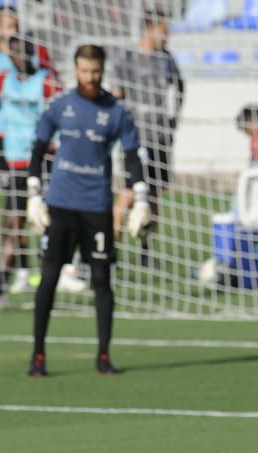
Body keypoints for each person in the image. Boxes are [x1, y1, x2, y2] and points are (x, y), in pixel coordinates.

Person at [25, 45, 149, 377]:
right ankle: (38, 355)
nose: (90, 78)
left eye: (95, 72)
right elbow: (37, 148)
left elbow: (133, 155)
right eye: (84, 71)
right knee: (49, 277)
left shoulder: (116, 112)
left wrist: (141, 196)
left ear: (102, 71)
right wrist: (34, 192)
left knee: (101, 279)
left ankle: (104, 356)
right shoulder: (61, 106)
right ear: (75, 70)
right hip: (61, 204)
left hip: (96, 207)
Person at [0, 5, 66, 293]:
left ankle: (58, 266)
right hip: (9, 145)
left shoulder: (41, 69)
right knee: (15, 209)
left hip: (41, 149)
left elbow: (60, 98)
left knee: (48, 208)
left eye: (15, 24)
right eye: (6, 25)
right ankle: (15, 272)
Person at [110, 7, 184, 266]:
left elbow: (180, 86)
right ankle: (111, 248)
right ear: (150, 28)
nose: (167, 36)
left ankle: (146, 251)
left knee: (154, 194)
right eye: (164, 30)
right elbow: (116, 95)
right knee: (129, 193)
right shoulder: (126, 57)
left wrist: (174, 116)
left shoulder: (167, 58)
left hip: (160, 137)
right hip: (136, 138)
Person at [0, 35, 62, 296]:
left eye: (21, 52)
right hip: (14, 159)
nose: (15, 57)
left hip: (40, 160)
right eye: (12, 53)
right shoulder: (5, 78)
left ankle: (57, 270)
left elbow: (64, 109)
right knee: (12, 220)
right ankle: (5, 280)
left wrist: (59, 142)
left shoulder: (46, 81)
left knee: (45, 218)